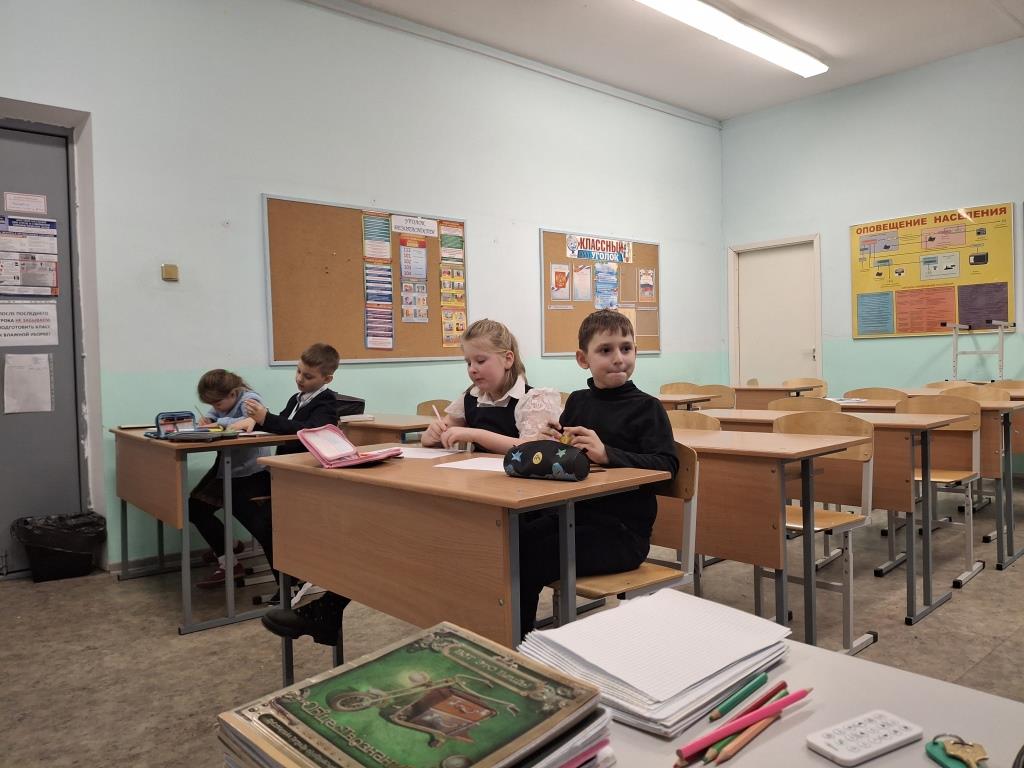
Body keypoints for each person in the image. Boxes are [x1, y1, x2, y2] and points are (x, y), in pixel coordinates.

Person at [260, 319, 560, 645]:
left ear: (507, 359)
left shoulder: (535, 398)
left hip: (520, 506)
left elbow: (532, 450)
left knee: (467, 545)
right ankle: (329, 610)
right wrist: (434, 434)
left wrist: (473, 433)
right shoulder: (472, 397)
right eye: (467, 362)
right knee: (387, 525)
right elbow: (440, 432)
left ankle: (514, 641)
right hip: (478, 495)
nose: (472, 369)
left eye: (480, 360)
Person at [523, 309, 678, 634]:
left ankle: (520, 644)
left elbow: (668, 465)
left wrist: (608, 454)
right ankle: (510, 638)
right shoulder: (578, 402)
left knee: (529, 558)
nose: (619, 358)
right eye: (606, 350)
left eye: (626, 348)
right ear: (583, 359)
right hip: (572, 517)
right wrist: (554, 441)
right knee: (510, 540)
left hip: (622, 534)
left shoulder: (647, 408)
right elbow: (566, 457)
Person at [189, 369, 273, 589]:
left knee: (197, 508)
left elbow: (250, 420)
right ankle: (229, 547)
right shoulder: (224, 402)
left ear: (234, 393)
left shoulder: (249, 401)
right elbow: (216, 414)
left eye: (218, 403)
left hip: (249, 472)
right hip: (226, 466)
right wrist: (209, 418)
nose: (215, 407)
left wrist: (218, 422)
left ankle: (229, 561)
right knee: (195, 508)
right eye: (211, 404)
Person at [240, 342, 343, 455]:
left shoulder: (327, 401)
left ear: (327, 379)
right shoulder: (295, 399)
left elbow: (309, 431)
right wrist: (257, 421)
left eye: (308, 376)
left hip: (306, 461)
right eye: (298, 371)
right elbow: (282, 425)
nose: (299, 379)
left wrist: (266, 418)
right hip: (285, 459)